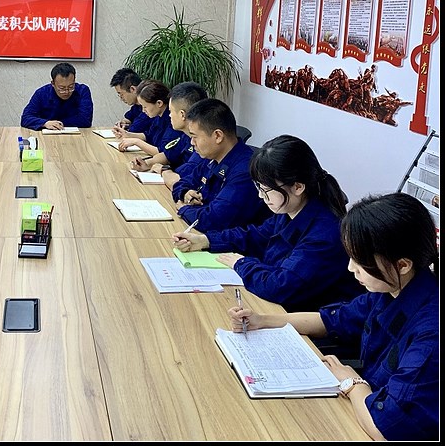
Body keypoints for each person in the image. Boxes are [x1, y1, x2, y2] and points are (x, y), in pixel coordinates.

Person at [227, 192, 439, 441]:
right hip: (364, 405)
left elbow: (384, 429)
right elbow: (332, 319)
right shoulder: (393, 289)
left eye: (360, 261)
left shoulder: (431, 332)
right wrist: (262, 321)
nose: (350, 268)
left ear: (402, 265)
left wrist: (353, 383)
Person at [173, 135, 364, 311]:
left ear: (298, 187)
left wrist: (241, 263)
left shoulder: (325, 234)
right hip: (275, 305)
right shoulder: (290, 209)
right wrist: (206, 240)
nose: (260, 196)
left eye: (266, 190)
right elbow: (256, 235)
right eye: (258, 187)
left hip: (304, 318)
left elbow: (281, 286)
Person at [170, 98, 270, 231]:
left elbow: (215, 220)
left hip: (230, 241)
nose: (192, 142)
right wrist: (185, 193)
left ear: (218, 136)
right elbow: (182, 182)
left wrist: (185, 209)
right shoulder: (212, 156)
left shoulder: (246, 170)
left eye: (195, 137)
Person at [131, 81, 207, 191]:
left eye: (171, 111)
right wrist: (146, 164)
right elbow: (168, 155)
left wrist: (164, 170)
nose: (169, 115)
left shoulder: (202, 144)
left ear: (182, 115)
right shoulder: (185, 136)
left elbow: (182, 177)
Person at [20, 62, 93, 130]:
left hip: (77, 135)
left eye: (71, 87)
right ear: (53, 83)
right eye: (62, 88)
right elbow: (26, 118)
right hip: (46, 136)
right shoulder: (41, 93)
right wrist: (45, 123)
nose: (67, 92)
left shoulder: (82, 91)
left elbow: (85, 120)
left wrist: (57, 124)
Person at [115, 80, 179, 155]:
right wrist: (127, 134)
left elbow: (163, 153)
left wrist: (136, 142)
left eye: (145, 107)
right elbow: (149, 135)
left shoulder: (172, 121)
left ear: (159, 103)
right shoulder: (158, 116)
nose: (143, 110)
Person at [109, 67, 151, 133]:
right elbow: (129, 118)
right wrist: (123, 123)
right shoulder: (136, 106)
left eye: (121, 94)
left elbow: (136, 128)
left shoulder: (149, 106)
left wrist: (128, 127)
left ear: (133, 89)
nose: (121, 98)